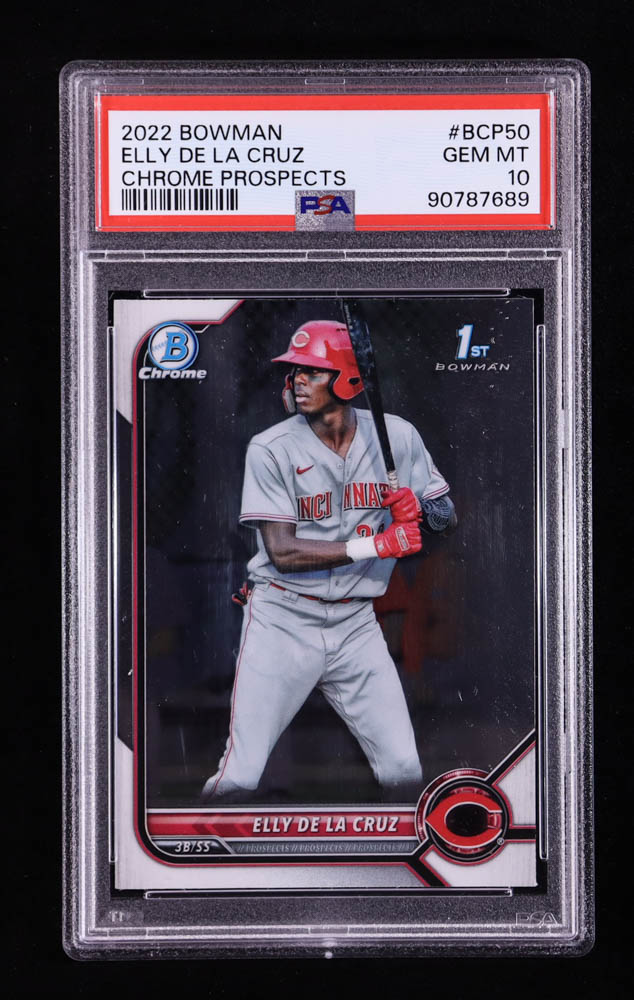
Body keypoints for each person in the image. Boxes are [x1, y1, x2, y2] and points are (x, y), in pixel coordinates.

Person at [202, 319, 456, 802]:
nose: (297, 380)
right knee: (241, 773)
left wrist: (422, 510)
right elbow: (282, 553)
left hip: (356, 625)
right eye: (295, 371)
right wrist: (378, 545)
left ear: (347, 379)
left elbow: (446, 517)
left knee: (404, 768)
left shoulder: (397, 436)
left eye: (312, 371)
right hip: (282, 619)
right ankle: (192, 850)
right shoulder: (272, 448)